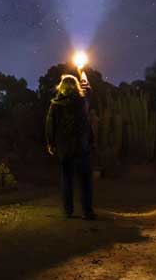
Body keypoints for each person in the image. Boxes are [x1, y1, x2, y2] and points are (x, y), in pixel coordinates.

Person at [45, 73, 96, 219]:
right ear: (76, 87)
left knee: (66, 180)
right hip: (82, 147)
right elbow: (88, 88)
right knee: (85, 181)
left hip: (64, 149)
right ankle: (88, 212)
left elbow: (50, 125)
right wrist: (83, 72)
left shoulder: (55, 104)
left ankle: (68, 211)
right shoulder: (83, 101)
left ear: (61, 88)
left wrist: (50, 143)